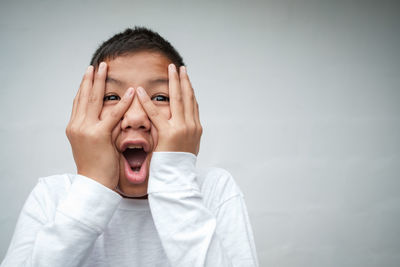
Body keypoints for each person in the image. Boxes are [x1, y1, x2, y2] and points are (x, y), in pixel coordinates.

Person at [1, 27, 259, 267]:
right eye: (111, 97)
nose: (135, 118)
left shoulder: (215, 189)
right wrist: (93, 185)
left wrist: (174, 178)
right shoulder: (53, 196)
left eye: (160, 97)